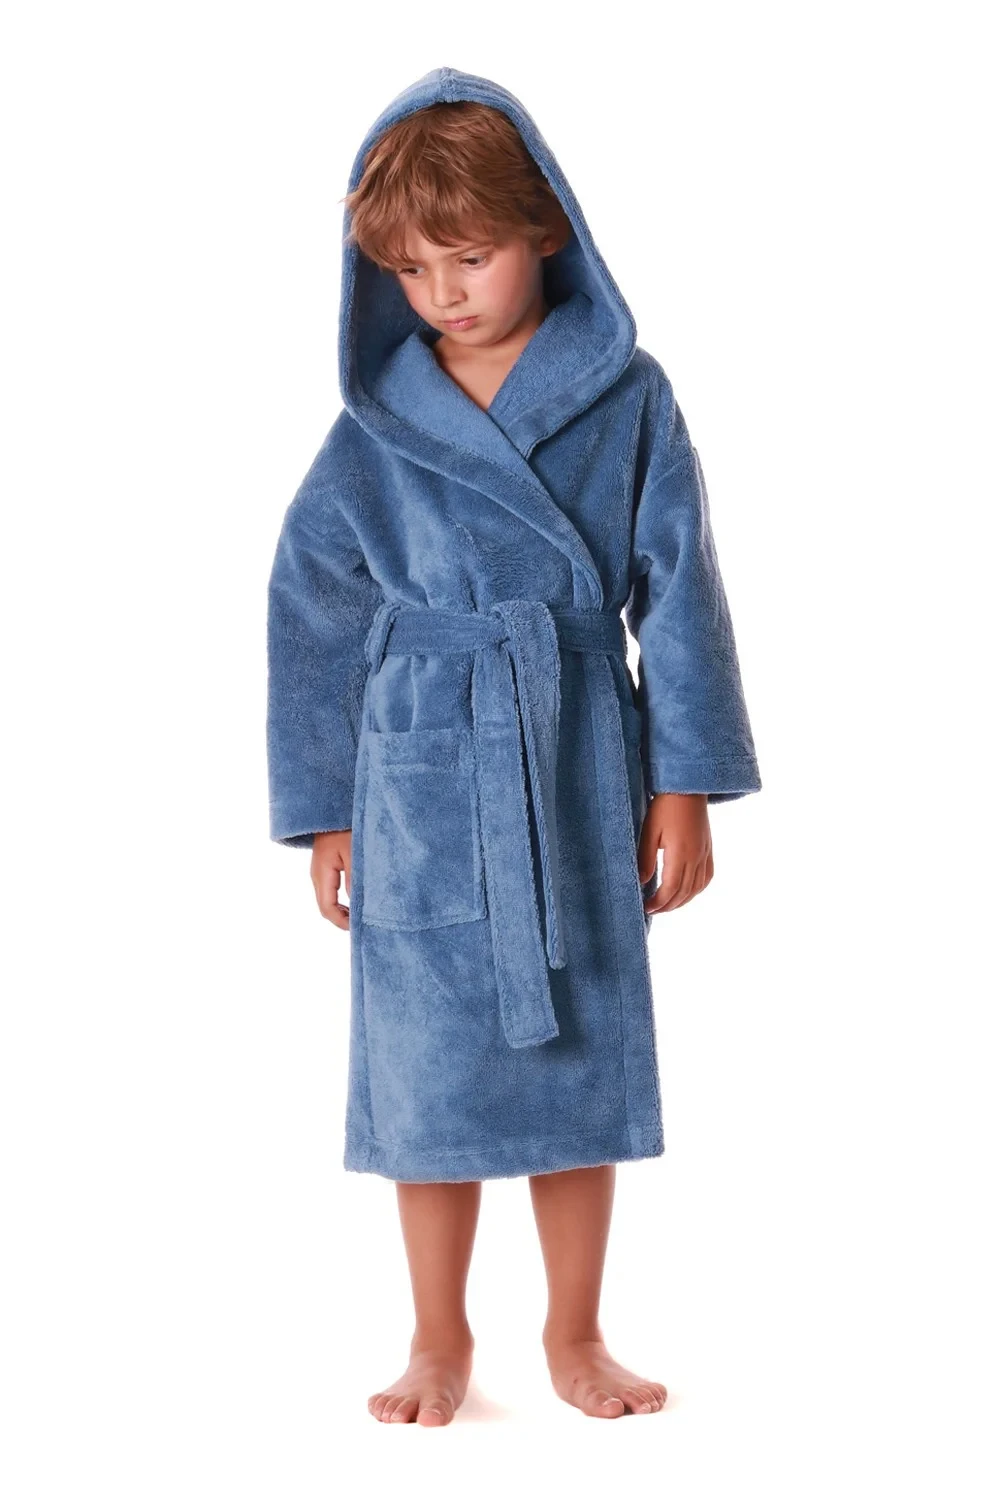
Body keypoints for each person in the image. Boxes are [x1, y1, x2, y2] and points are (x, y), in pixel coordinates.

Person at [266, 66, 762, 1426]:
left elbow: (681, 589)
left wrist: (685, 783)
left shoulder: (628, 394)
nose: (444, 292)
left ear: (546, 228)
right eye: (413, 269)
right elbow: (311, 606)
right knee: (425, 1061)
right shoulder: (378, 422)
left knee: (574, 1048)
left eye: (470, 256)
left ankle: (575, 1330)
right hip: (420, 765)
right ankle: (438, 1337)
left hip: (572, 753)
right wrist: (326, 807)